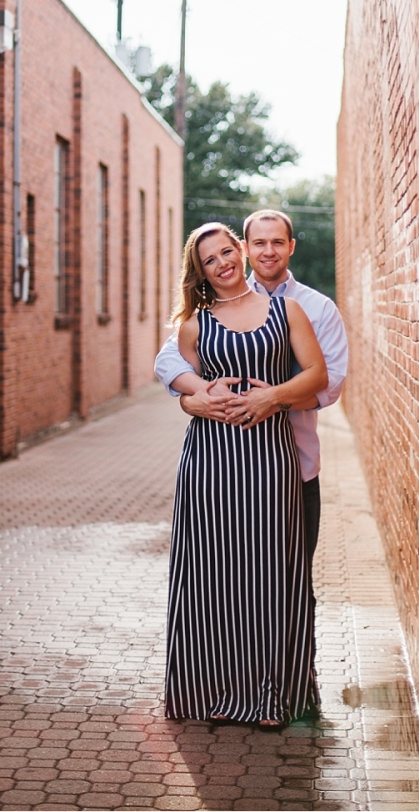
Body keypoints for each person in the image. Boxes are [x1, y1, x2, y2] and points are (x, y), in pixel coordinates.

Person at [163, 221, 328, 724]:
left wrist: (270, 396)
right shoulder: (194, 325)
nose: (223, 263)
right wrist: (196, 404)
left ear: (241, 251)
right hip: (210, 464)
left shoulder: (289, 310)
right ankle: (213, 691)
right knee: (214, 576)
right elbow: (180, 387)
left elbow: (318, 377)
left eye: (226, 252)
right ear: (202, 271)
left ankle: (273, 695)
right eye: (210, 260)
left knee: (272, 574)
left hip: (271, 459)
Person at [156, 209, 349, 570]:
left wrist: (273, 399)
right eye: (259, 242)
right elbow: (168, 362)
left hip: (293, 463)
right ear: (247, 248)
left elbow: (330, 383)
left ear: (291, 247)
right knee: (224, 573)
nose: (269, 251)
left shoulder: (315, 308)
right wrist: (194, 398)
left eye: (278, 242)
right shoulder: (211, 313)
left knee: (290, 579)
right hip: (222, 462)